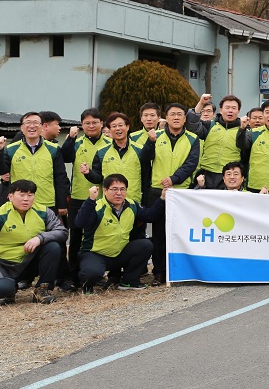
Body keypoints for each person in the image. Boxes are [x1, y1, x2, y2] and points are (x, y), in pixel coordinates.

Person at [0, 180, 68, 305]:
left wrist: (40, 238)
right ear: (10, 196)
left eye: (30, 195)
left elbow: (62, 232)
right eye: (21, 195)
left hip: (31, 262)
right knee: (1, 290)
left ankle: (42, 290)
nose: (26, 199)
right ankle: (10, 290)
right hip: (6, 265)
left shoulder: (43, 212)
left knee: (53, 246)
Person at [140, 103, 200, 284]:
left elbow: (191, 164)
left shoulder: (193, 139)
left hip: (182, 193)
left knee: (181, 233)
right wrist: (150, 143)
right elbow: (144, 158)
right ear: (165, 118)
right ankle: (159, 272)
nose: (176, 117)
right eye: (172, 114)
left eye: (179, 114)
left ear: (184, 118)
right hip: (158, 192)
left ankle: (181, 270)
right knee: (159, 235)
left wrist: (174, 179)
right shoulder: (155, 136)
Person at [75, 175, 166, 292]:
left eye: (122, 189)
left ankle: (129, 281)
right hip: (95, 253)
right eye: (114, 189)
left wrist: (162, 198)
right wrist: (90, 200)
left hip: (119, 253)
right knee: (91, 274)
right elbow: (80, 222)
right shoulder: (97, 206)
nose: (119, 193)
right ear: (105, 190)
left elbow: (150, 215)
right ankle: (87, 286)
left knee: (146, 245)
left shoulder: (132, 205)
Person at [61, 108, 110, 286]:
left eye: (94, 122)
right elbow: (65, 157)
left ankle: (96, 275)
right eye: (87, 123)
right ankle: (73, 275)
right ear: (82, 125)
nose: (91, 126)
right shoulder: (76, 142)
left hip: (102, 198)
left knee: (99, 235)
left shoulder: (109, 143)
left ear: (101, 124)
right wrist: (70, 138)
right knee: (75, 237)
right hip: (78, 196)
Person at [0, 112, 69, 216]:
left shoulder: (53, 149)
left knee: (45, 232)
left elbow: (60, 177)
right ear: (22, 128)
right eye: (28, 123)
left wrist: (62, 204)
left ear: (42, 127)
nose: (32, 126)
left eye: (36, 123)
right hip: (19, 204)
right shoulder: (11, 149)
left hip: (46, 203)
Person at [187, 94, 246, 189]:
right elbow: (192, 125)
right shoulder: (210, 125)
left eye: (234, 108)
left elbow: (245, 148)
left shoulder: (243, 130)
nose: (230, 110)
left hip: (228, 177)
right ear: (221, 110)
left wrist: (242, 130)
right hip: (206, 174)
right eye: (227, 107)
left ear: (238, 111)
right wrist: (201, 103)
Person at [89, 112, 148, 204]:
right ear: (109, 129)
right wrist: (88, 173)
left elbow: (146, 177)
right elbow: (98, 178)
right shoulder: (101, 152)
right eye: (114, 126)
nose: (118, 128)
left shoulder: (140, 150)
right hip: (108, 202)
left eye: (121, 125)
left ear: (127, 127)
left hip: (133, 202)